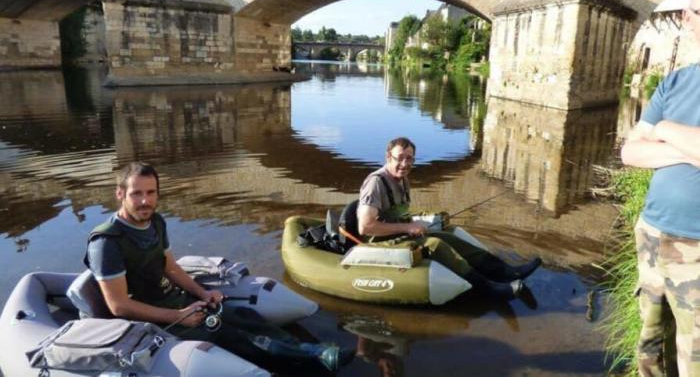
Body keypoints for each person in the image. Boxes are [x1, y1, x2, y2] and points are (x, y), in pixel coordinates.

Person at [84, 162, 354, 372]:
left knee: (244, 317)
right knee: (227, 334)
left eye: (151, 192)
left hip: (174, 301)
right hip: (146, 317)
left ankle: (308, 348)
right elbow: (119, 306)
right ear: (120, 194)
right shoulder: (107, 242)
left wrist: (202, 294)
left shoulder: (155, 222)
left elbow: (171, 268)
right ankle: (312, 359)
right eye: (137, 194)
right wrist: (179, 315)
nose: (145, 201)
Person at [340, 137, 542, 298]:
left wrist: (422, 222)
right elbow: (365, 227)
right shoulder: (375, 183)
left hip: (398, 235)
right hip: (377, 242)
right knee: (436, 244)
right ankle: (489, 289)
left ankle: (506, 272)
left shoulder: (403, 180)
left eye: (409, 158)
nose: (404, 163)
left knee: (452, 238)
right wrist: (408, 228)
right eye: (400, 157)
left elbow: (400, 216)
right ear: (388, 157)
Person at [620, 0, 700, 377]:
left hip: (698, 248)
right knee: (650, 345)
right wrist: (686, 148)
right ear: (688, 19)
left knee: (694, 357)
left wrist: (664, 128)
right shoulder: (675, 82)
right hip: (651, 233)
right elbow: (630, 151)